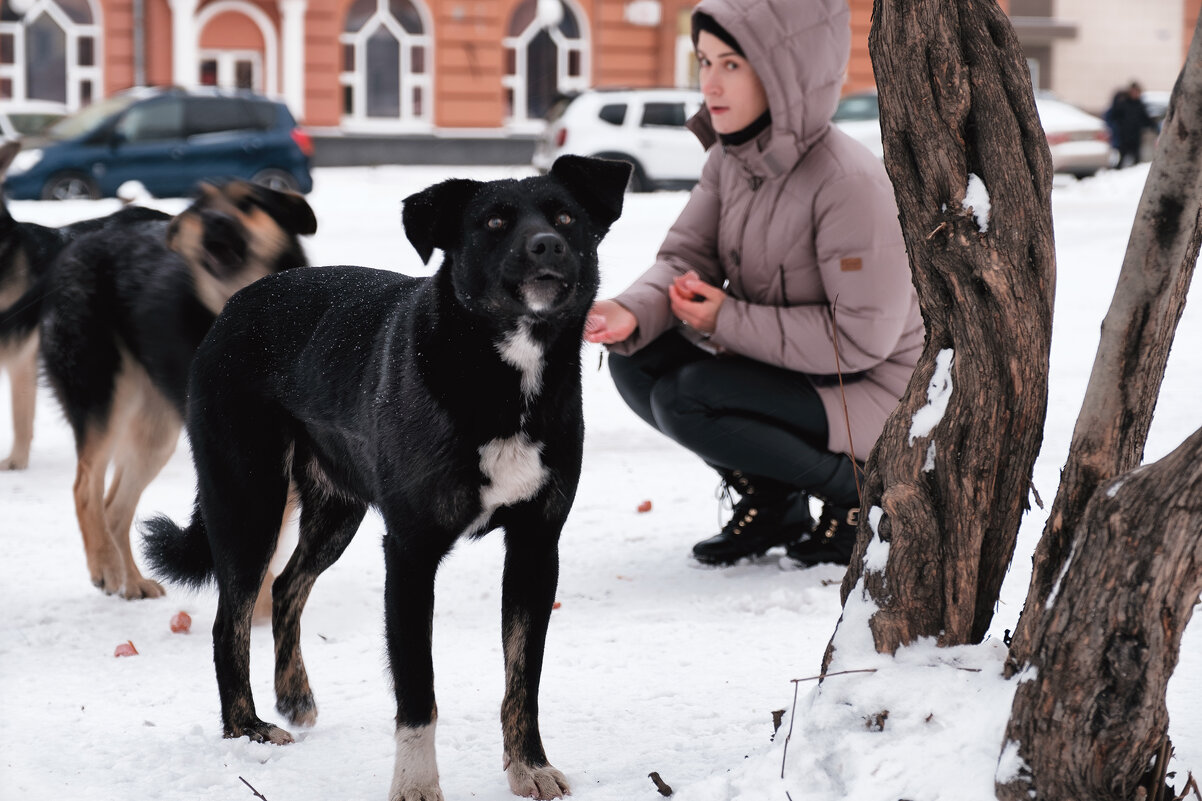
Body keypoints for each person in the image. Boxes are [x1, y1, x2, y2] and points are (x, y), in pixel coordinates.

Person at [585, 0, 924, 568]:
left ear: (786, 70)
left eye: (732, 65)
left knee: (687, 397)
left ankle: (858, 494)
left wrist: (724, 318)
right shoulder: (731, 159)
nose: (710, 83)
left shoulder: (848, 182)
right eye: (704, 62)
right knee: (637, 359)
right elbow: (686, 256)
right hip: (788, 365)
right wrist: (632, 311)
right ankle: (774, 504)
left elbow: (863, 341)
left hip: (871, 387)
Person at [1106, 82, 1156, 168]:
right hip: (1123, 137)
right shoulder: (1122, 103)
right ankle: (1117, 174)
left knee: (1136, 159)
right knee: (1121, 159)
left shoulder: (1139, 104)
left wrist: (1153, 126)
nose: (1136, 94)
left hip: (1135, 137)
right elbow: (1113, 116)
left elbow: (1145, 118)